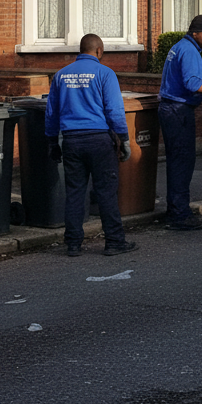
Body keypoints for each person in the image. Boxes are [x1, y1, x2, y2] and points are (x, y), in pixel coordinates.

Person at [45, 33, 134, 257]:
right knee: (106, 192)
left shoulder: (61, 75)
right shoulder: (106, 74)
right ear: (99, 51)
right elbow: (114, 110)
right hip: (99, 141)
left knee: (75, 193)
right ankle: (114, 241)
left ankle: (73, 244)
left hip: (71, 141)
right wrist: (123, 139)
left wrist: (51, 141)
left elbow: (51, 112)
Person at [157, 15, 202, 230]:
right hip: (178, 110)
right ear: (195, 33)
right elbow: (192, 83)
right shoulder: (190, 50)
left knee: (176, 162)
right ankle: (180, 216)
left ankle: (174, 210)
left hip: (169, 108)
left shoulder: (179, 46)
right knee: (183, 162)